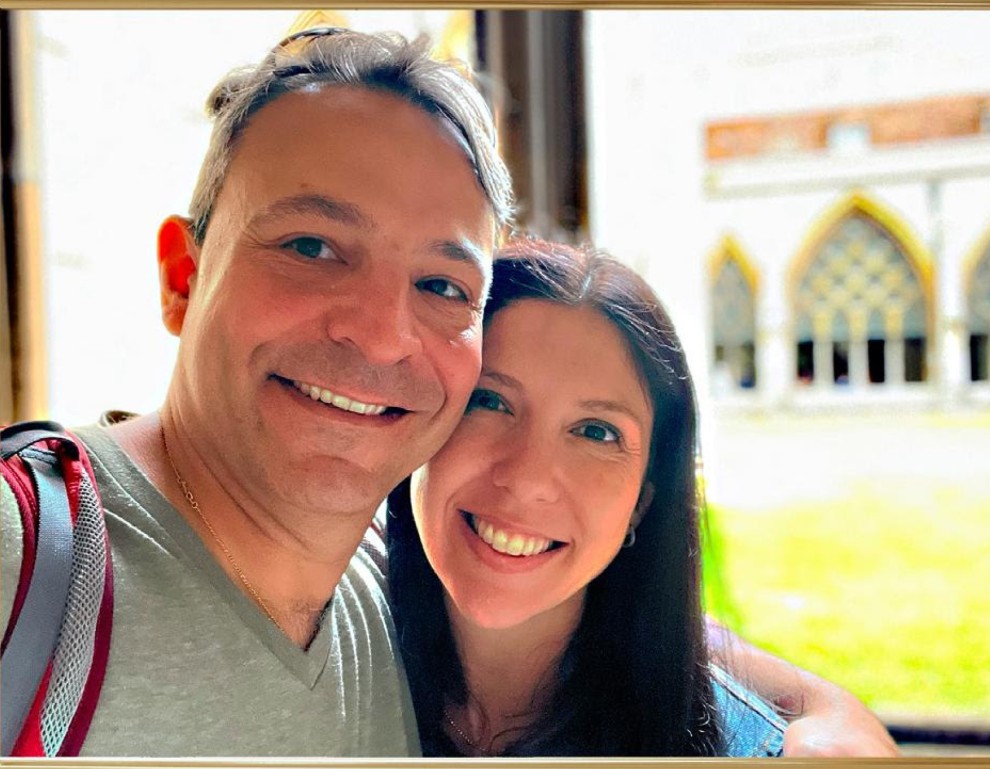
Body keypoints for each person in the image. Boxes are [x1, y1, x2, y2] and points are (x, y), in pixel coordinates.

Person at [0, 27, 896, 757]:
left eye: (441, 285)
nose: (381, 333)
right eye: (312, 246)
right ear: (183, 276)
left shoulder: (377, 581)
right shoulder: (30, 564)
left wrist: (825, 715)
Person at [385, 238, 895, 757]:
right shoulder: (338, 621)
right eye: (490, 401)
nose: (527, 478)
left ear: (643, 503)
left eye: (596, 432)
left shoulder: (736, 749)